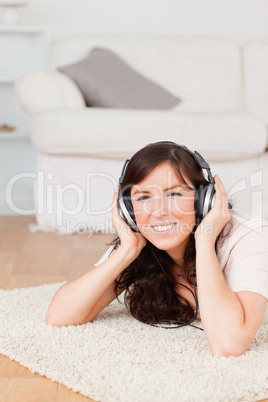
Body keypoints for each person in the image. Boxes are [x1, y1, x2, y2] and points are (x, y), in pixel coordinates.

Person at [46, 141, 268, 357]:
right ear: (127, 208)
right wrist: (126, 251)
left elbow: (228, 345)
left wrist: (204, 241)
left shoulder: (252, 235)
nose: (158, 211)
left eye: (174, 194)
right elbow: (59, 316)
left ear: (204, 200)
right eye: (143, 197)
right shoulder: (140, 239)